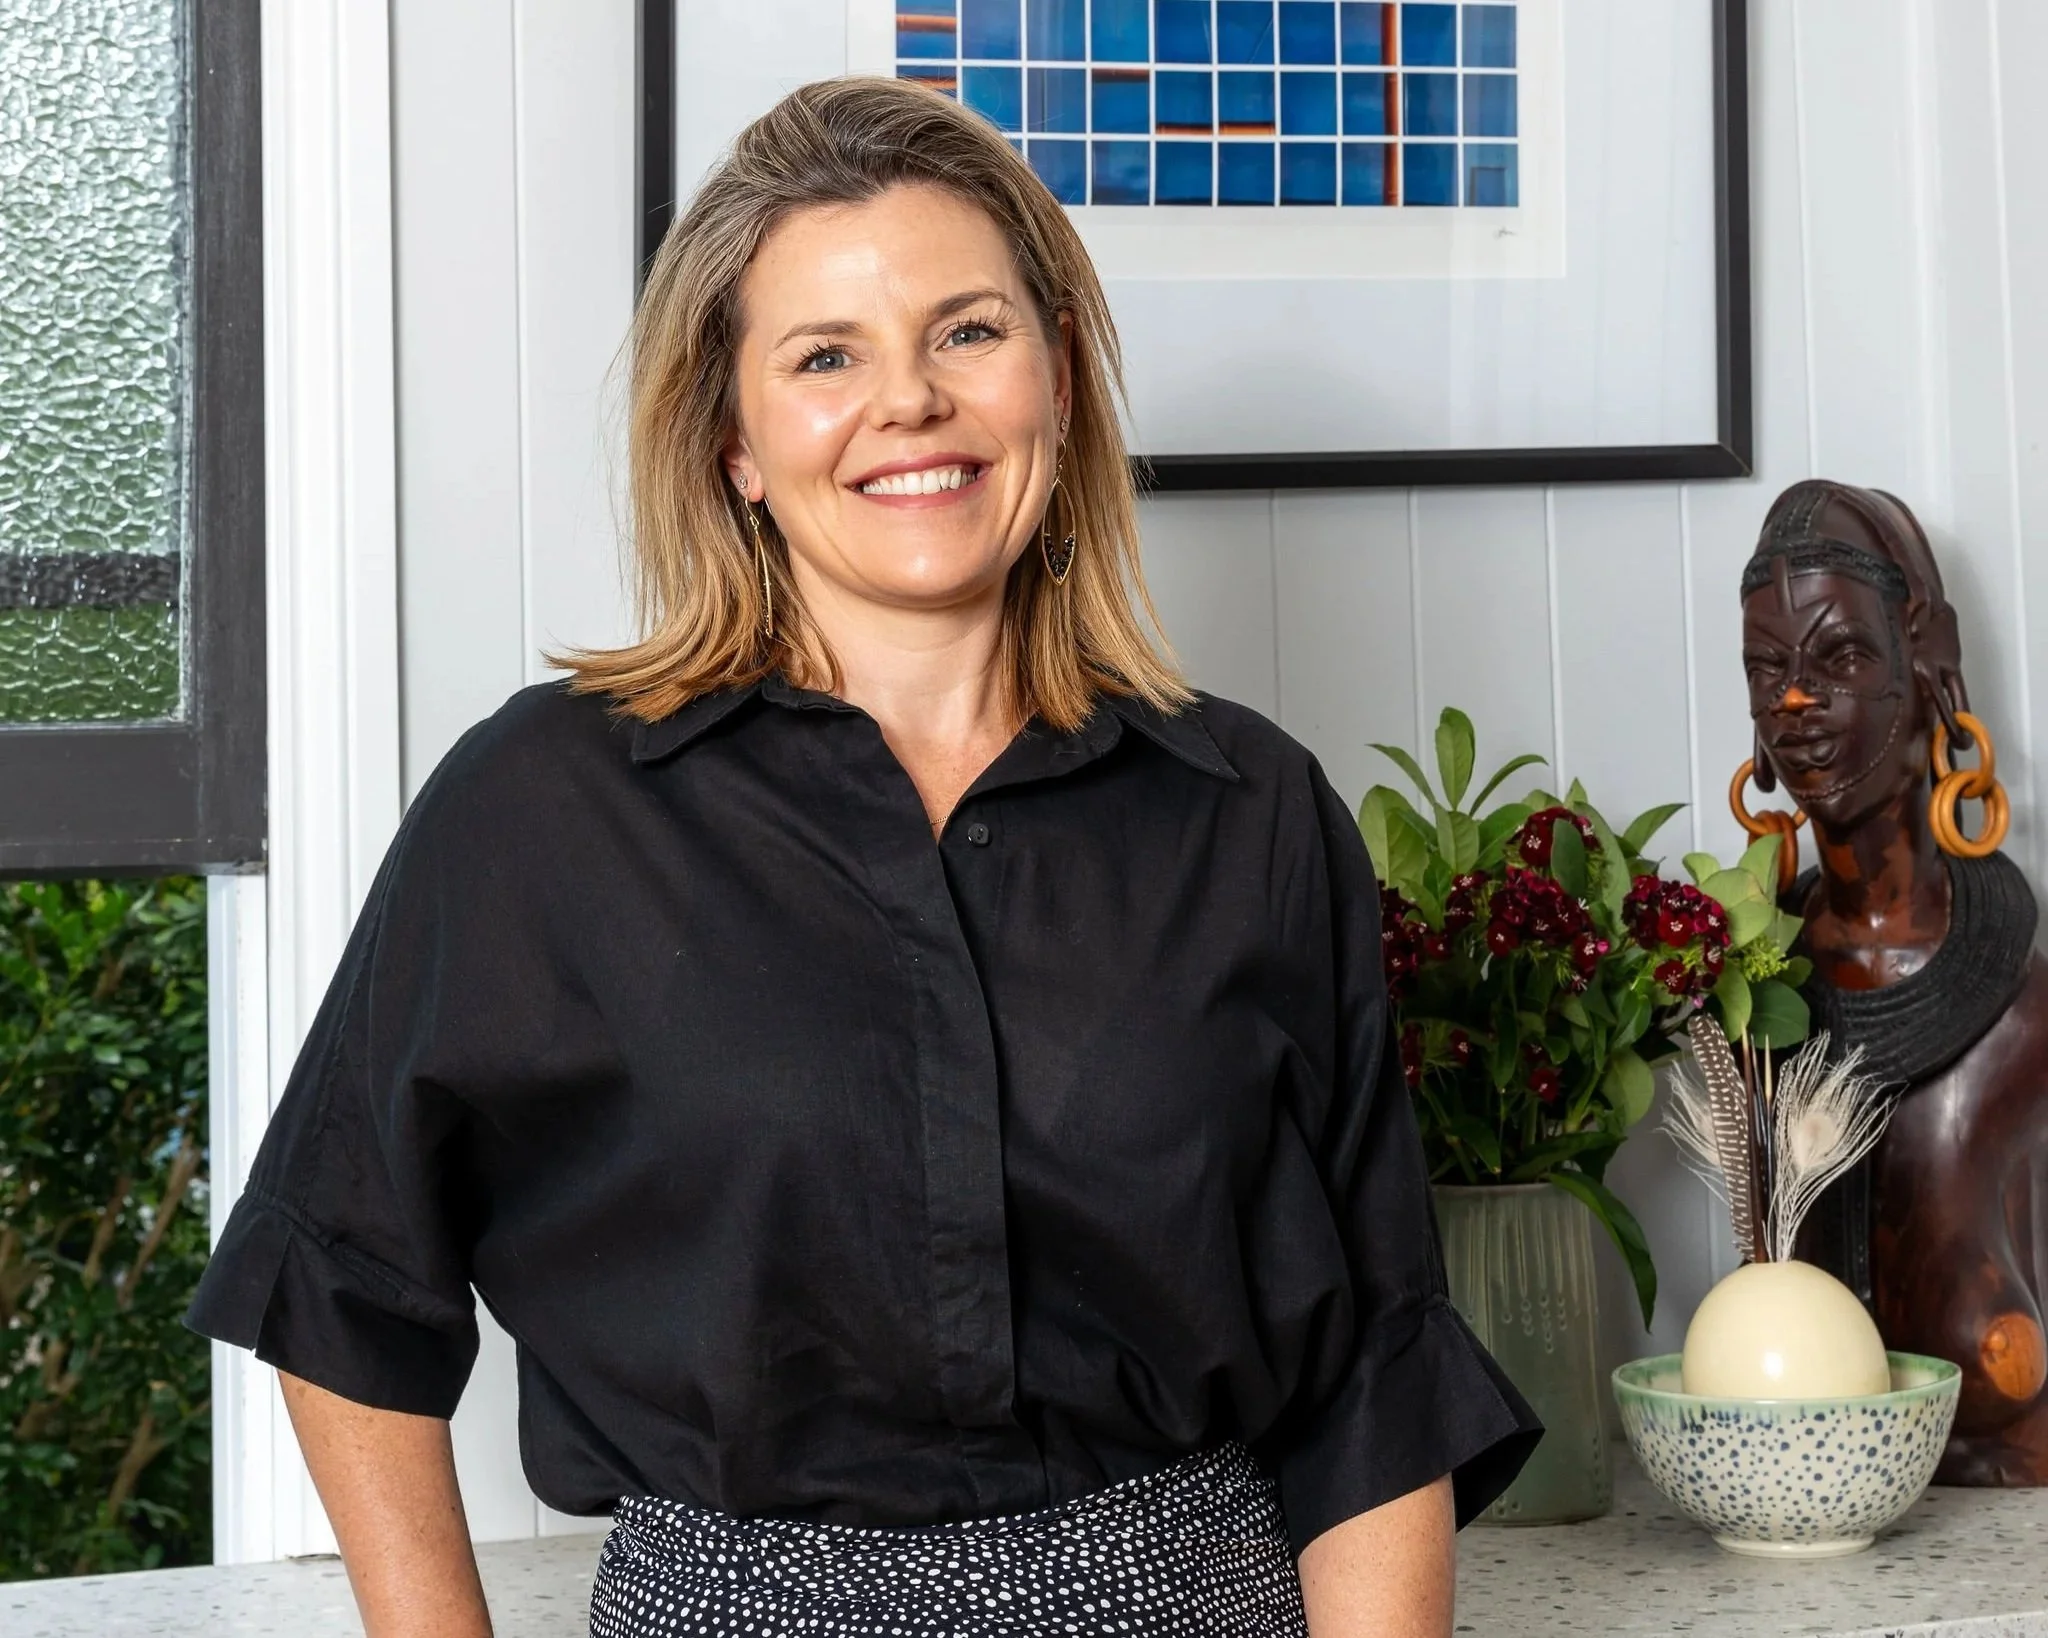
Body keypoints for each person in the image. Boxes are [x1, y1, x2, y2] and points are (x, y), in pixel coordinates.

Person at [189, 77, 1538, 1636]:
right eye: (826, 356)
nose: (910, 403)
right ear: (737, 443)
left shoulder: (1252, 812)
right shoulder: (542, 810)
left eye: (967, 331)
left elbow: (1369, 1375)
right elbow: (339, 1278)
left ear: (1060, 384)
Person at [1735, 479, 2048, 1485]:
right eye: (1765, 667)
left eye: (1838, 657)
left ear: (1926, 677)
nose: (1790, 698)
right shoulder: (1743, 997)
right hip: (1797, 1510)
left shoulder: (2023, 1009)